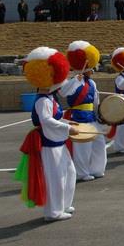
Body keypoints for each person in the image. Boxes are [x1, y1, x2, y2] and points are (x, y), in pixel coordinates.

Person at [14, 47, 78, 222]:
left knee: (69, 172)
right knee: (55, 178)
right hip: (49, 144)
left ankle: (63, 205)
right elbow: (46, 121)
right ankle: (53, 212)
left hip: (57, 142)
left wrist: (66, 123)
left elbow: (53, 119)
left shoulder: (49, 98)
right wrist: (68, 128)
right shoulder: (42, 101)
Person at [60, 40, 107, 181]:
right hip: (78, 116)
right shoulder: (72, 81)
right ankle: (82, 173)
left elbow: (95, 101)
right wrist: (75, 80)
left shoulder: (92, 82)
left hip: (92, 117)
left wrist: (99, 115)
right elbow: (63, 93)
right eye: (92, 67)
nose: (94, 70)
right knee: (82, 148)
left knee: (99, 144)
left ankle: (97, 169)